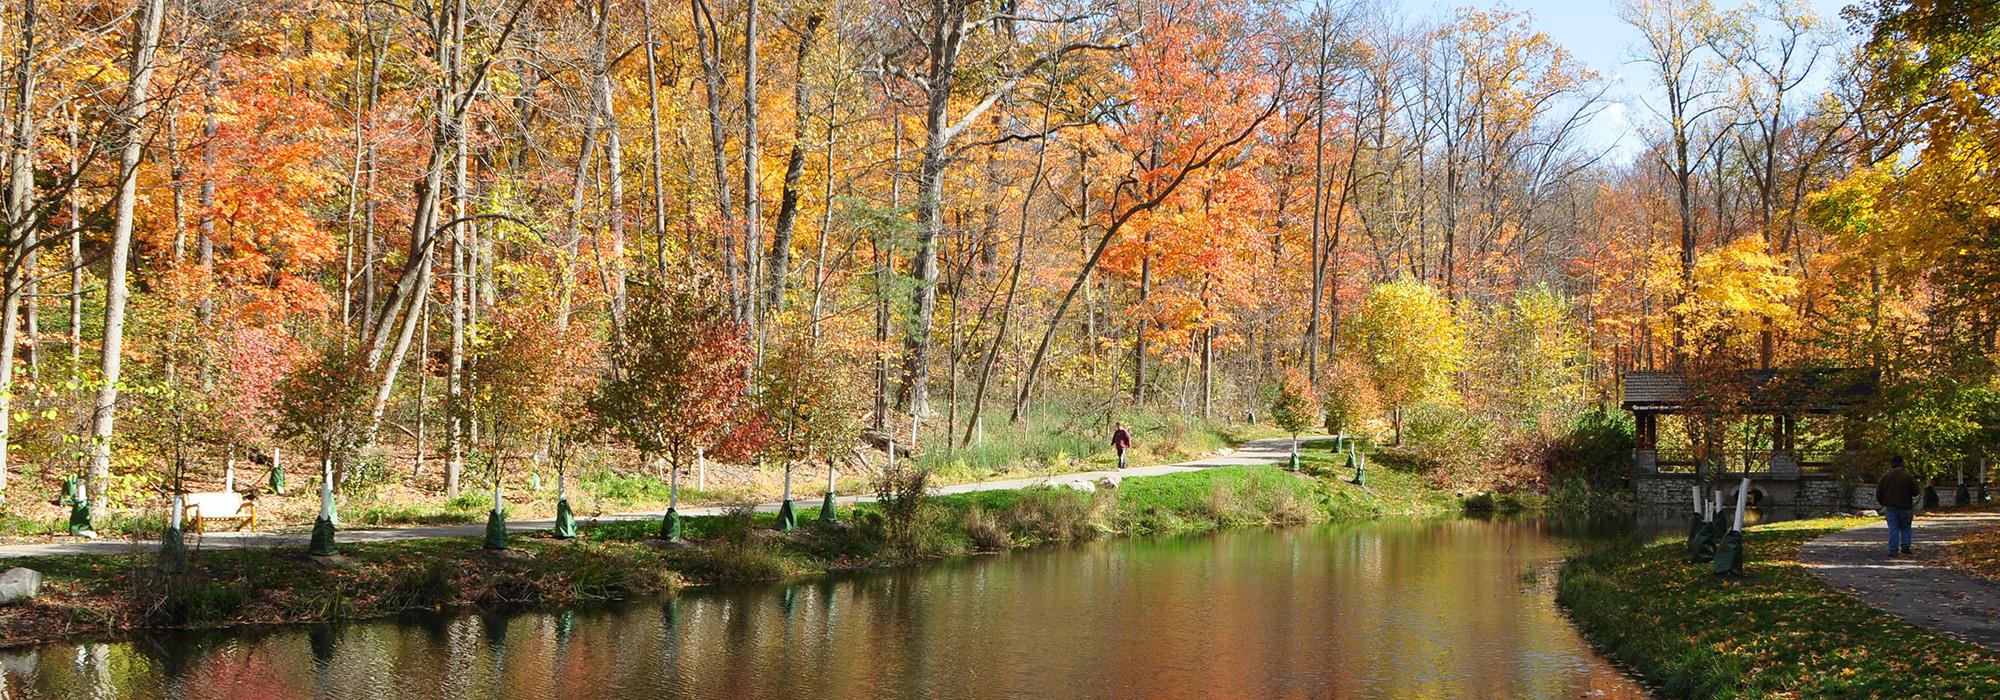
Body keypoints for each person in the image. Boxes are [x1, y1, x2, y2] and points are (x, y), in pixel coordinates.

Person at [1876, 455, 1918, 557]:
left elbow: (1879, 493)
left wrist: (1883, 503)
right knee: (1906, 527)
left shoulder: (1885, 477)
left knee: (1893, 528)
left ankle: (1893, 550)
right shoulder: (1908, 477)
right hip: (1906, 506)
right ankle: (1905, 546)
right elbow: (1915, 492)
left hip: (1891, 507)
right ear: (1902, 464)